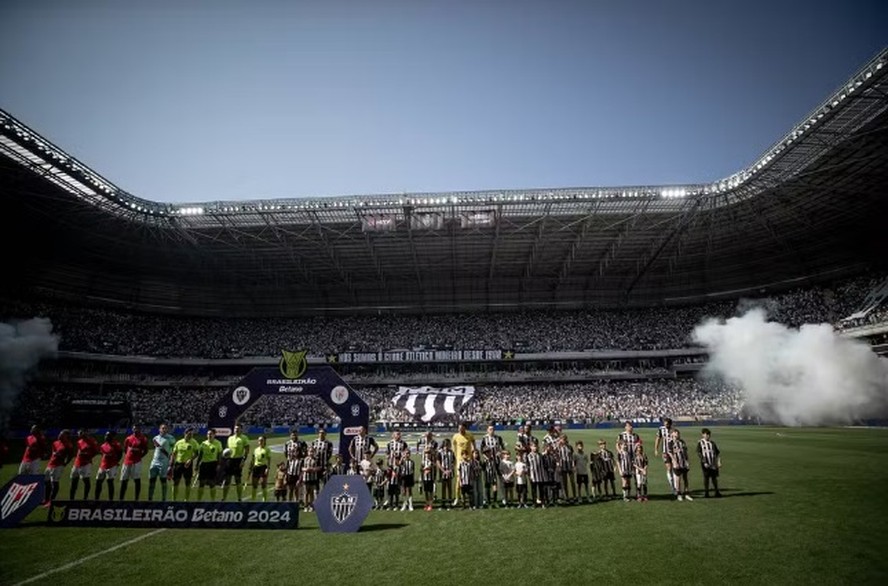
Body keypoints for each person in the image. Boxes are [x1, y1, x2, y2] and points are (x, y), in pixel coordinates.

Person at [43, 429, 73, 506]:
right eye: (60, 434)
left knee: (54, 483)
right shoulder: (55, 443)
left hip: (58, 466)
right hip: (50, 465)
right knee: (46, 482)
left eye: (62, 434)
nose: (59, 435)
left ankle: (51, 501)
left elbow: (70, 456)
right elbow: (53, 453)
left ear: (66, 436)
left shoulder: (68, 445)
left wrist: (65, 463)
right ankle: (46, 499)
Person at [119, 424, 149, 501]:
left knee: (137, 480)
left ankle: (136, 499)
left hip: (137, 462)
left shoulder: (143, 439)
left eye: (137, 428)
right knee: (124, 480)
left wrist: (139, 457)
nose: (135, 429)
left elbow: (146, 450)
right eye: (134, 428)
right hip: (127, 462)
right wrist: (128, 456)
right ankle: (120, 499)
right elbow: (125, 449)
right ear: (132, 429)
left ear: (140, 429)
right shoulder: (128, 438)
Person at [147, 423, 176, 502]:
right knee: (151, 480)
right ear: (159, 429)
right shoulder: (155, 438)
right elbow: (156, 449)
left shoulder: (171, 438)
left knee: (163, 481)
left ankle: (164, 500)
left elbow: (173, 451)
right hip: (154, 461)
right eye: (162, 428)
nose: (164, 430)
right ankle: (149, 499)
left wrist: (171, 463)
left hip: (164, 462)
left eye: (165, 428)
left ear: (167, 429)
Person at [222, 423, 250, 502]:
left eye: (238, 428)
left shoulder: (244, 438)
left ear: (241, 429)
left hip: (238, 460)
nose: (236, 430)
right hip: (229, 460)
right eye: (235, 428)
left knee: (238, 480)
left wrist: (243, 461)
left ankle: (239, 498)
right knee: (227, 480)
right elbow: (228, 449)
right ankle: (224, 498)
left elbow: (247, 450)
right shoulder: (230, 438)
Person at [170, 427, 200, 501]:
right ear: (185, 433)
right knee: (175, 482)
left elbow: (197, 453)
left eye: (192, 434)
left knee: (188, 482)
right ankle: (174, 500)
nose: (191, 436)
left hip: (188, 465)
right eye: (189, 434)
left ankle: (186, 499)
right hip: (178, 464)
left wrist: (190, 459)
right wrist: (170, 465)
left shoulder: (194, 442)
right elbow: (174, 453)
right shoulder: (179, 442)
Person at [69, 429, 99, 501]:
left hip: (86, 464)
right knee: (74, 481)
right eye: (78, 434)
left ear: (84, 433)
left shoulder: (91, 441)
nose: (78, 435)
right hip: (76, 464)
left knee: (86, 480)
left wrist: (88, 456)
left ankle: (85, 498)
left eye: (80, 433)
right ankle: (71, 499)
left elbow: (96, 451)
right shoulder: (79, 442)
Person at [451, 422, 476, 506]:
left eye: (461, 428)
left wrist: (474, 452)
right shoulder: (455, 436)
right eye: (459, 428)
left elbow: (473, 442)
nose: (460, 430)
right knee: (459, 480)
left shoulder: (469, 435)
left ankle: (469, 498)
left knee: (469, 480)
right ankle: (457, 498)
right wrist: (455, 457)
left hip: (469, 461)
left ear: (464, 428)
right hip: (459, 461)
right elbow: (453, 446)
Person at [195, 428, 223, 501]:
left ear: (214, 435)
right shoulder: (203, 443)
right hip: (204, 464)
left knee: (212, 483)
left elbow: (219, 455)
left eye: (211, 434)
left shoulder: (218, 443)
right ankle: (199, 500)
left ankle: (212, 500)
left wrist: (219, 465)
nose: (209, 435)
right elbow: (200, 455)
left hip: (213, 464)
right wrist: (197, 465)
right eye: (208, 434)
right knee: (202, 483)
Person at [94, 431, 123, 501]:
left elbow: (120, 454)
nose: (106, 437)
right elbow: (102, 454)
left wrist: (116, 462)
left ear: (112, 437)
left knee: (110, 482)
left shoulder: (117, 444)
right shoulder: (103, 445)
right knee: (98, 482)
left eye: (108, 435)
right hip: (102, 466)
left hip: (112, 466)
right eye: (105, 435)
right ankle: (96, 499)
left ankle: (110, 500)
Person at [696, 428, 722, 498]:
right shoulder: (700, 443)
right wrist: (704, 462)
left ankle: (717, 491)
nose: (707, 436)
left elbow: (717, 453)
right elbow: (699, 453)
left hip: (713, 463)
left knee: (714, 478)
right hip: (705, 463)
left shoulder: (712, 443)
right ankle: (706, 493)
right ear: (702, 435)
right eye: (706, 434)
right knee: (706, 478)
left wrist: (719, 462)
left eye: (708, 434)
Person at [669, 429, 693, 501]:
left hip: (683, 462)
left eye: (678, 433)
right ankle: (679, 494)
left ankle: (686, 493)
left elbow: (685, 452)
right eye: (675, 433)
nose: (677, 435)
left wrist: (687, 461)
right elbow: (670, 453)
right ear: (672, 434)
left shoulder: (682, 442)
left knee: (685, 478)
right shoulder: (670, 443)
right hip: (677, 462)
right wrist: (674, 461)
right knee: (678, 478)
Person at [283, 430, 306, 503]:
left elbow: (305, 452)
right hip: (290, 464)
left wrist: (301, 458)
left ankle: (299, 500)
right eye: (293, 435)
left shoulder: (302, 443)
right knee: (290, 488)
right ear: (290, 436)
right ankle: (290, 501)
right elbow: (285, 453)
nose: (294, 436)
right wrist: (289, 458)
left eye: (295, 435)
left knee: (298, 486)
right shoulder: (287, 443)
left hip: (299, 465)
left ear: (297, 435)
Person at [655, 417, 676, 495]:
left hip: (673, 452)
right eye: (665, 423)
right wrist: (656, 449)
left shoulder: (673, 429)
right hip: (665, 452)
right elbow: (658, 439)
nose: (665, 425)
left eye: (667, 424)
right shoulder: (661, 429)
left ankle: (676, 485)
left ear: (670, 424)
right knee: (669, 468)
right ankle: (672, 486)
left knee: (675, 468)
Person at [249, 435, 272, 502]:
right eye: (259, 440)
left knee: (263, 484)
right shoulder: (255, 450)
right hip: (256, 467)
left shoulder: (267, 449)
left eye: (261, 440)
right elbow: (253, 459)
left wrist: (268, 468)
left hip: (263, 467)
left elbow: (269, 459)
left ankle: (264, 499)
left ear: (264, 441)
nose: (260, 442)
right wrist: (251, 467)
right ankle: (253, 499)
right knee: (254, 484)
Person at [437, 438, 455, 510]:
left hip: (449, 472)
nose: (446, 447)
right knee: (443, 488)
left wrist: (450, 470)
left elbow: (454, 461)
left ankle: (450, 503)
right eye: (445, 445)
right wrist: (443, 471)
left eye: (448, 445)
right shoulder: (440, 452)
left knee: (449, 487)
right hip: (443, 472)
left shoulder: (451, 452)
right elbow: (438, 462)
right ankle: (443, 503)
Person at [420, 444, 437, 511]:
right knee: (426, 491)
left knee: (430, 491)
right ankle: (426, 503)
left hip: (431, 478)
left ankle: (430, 504)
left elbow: (434, 468)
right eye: (426, 453)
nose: (427, 455)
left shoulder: (432, 461)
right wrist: (424, 470)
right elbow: (421, 469)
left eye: (428, 453)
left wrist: (430, 468)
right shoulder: (423, 461)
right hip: (425, 478)